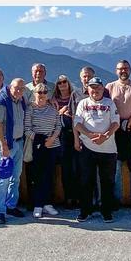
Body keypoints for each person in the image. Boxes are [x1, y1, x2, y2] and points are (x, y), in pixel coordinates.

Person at [74, 77, 120, 223]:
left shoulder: (109, 103)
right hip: (88, 148)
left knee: (107, 181)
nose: (95, 90)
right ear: (88, 89)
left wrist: (105, 136)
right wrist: (89, 135)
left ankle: (106, 211)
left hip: (108, 148)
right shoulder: (83, 103)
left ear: (102, 89)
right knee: (86, 180)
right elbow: (77, 123)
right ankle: (85, 211)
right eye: (92, 88)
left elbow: (116, 122)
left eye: (98, 88)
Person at [106, 60, 131, 212]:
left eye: (126, 68)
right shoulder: (109, 87)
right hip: (114, 131)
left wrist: (128, 123)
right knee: (115, 166)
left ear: (130, 70)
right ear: (116, 71)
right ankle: (116, 199)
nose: (123, 71)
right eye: (120, 69)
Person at [0, 78, 28, 224]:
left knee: (16, 176)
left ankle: (11, 205)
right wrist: (3, 145)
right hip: (6, 145)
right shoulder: (2, 101)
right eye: (16, 88)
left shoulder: (21, 101)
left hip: (19, 142)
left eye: (21, 88)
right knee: (3, 179)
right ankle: (0, 211)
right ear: (10, 87)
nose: (18, 91)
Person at [25, 82, 63, 218]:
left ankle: (48, 203)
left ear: (48, 95)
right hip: (37, 147)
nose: (41, 95)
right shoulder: (30, 109)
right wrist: (40, 140)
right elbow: (27, 129)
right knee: (37, 177)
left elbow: (58, 125)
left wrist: (52, 139)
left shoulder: (52, 108)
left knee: (49, 175)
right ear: (34, 94)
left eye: (44, 92)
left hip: (52, 146)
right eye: (39, 92)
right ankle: (38, 204)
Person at [52, 74, 79, 209]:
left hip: (75, 135)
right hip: (61, 136)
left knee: (77, 167)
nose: (62, 84)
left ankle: (78, 197)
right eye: (59, 83)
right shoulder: (54, 100)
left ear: (69, 83)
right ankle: (68, 197)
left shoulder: (75, 97)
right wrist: (61, 112)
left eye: (64, 82)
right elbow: (50, 117)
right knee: (66, 168)